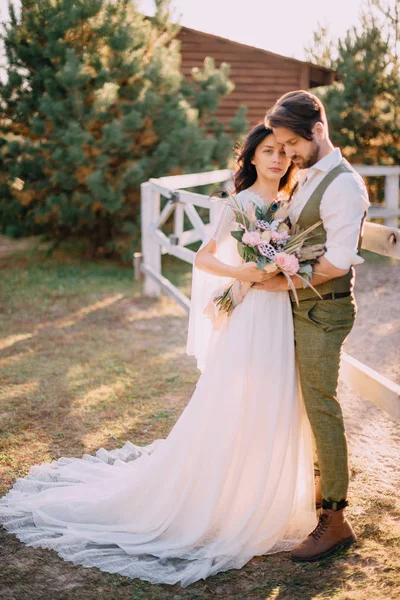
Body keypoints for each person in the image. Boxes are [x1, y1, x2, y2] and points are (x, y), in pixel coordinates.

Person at [0, 124, 318, 587]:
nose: (276, 159)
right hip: (251, 313)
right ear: (250, 158)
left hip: (281, 315)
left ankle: (263, 494)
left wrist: (286, 263)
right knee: (235, 403)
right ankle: (220, 499)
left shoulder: (292, 203)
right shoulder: (238, 204)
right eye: (267, 151)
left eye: (283, 153)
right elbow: (203, 258)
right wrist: (243, 271)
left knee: (276, 400)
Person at [254, 90, 369, 562]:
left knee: (321, 405)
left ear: (317, 131)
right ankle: (317, 489)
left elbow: (338, 261)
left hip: (323, 309)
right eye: (278, 145)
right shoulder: (308, 176)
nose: (286, 154)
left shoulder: (342, 185)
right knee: (299, 403)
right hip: (302, 303)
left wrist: (278, 284)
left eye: (290, 144)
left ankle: (335, 518)